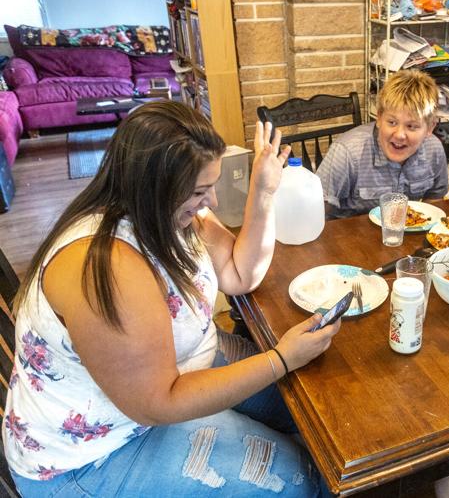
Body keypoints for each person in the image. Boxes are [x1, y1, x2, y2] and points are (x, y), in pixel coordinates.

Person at [3, 101, 340, 496]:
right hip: (99, 453)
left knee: (315, 415)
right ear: (154, 187)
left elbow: (238, 274)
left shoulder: (171, 214)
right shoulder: (105, 267)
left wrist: (263, 191)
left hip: (177, 373)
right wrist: (280, 359)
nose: (212, 201)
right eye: (199, 190)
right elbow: (158, 403)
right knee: (302, 478)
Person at [316, 69, 449, 219]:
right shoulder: (347, 152)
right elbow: (314, 211)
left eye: (411, 126)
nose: (399, 134)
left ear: (430, 127)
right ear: (379, 118)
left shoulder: (434, 149)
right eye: (392, 122)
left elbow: (435, 199)